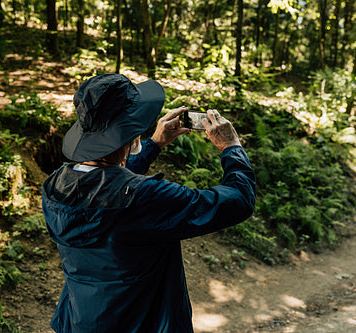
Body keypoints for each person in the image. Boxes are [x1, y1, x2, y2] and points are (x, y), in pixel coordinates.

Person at [42, 73, 256, 332]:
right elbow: (239, 200)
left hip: (80, 322)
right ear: (131, 130)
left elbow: (105, 181)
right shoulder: (146, 199)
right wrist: (231, 147)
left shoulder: (55, 187)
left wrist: (154, 144)